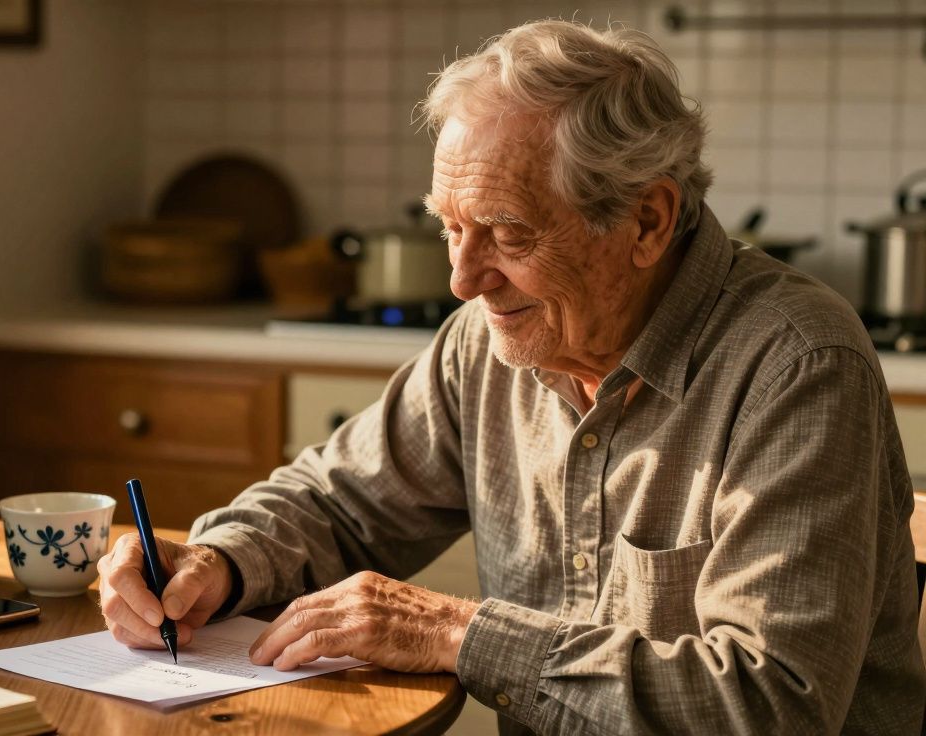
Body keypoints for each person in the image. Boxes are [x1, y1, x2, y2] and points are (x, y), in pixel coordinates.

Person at [98, 19, 926, 735]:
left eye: (506, 232)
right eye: (450, 228)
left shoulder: (797, 367)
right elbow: (338, 503)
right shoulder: (486, 343)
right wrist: (220, 561)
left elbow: (766, 706)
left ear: (647, 219)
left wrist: (459, 635)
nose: (462, 278)